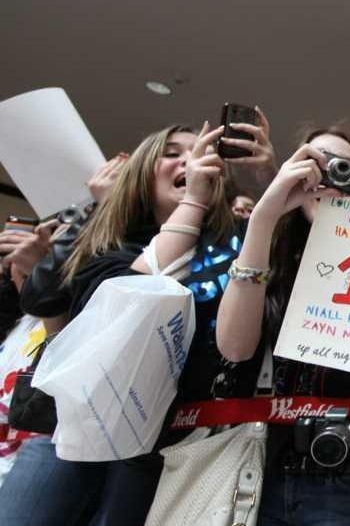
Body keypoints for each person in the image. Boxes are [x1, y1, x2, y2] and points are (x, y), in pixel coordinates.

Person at [0, 121, 272, 526]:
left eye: (200, 153)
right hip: (71, 427)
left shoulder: (231, 245)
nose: (190, 160)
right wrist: (187, 200)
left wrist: (268, 175)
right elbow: (126, 298)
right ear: (142, 169)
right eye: (173, 153)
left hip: (163, 442)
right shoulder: (107, 239)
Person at [215, 127, 350, 525]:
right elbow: (235, 349)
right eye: (316, 163)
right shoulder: (274, 258)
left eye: (344, 168)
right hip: (264, 469)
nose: (329, 177)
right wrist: (264, 216)